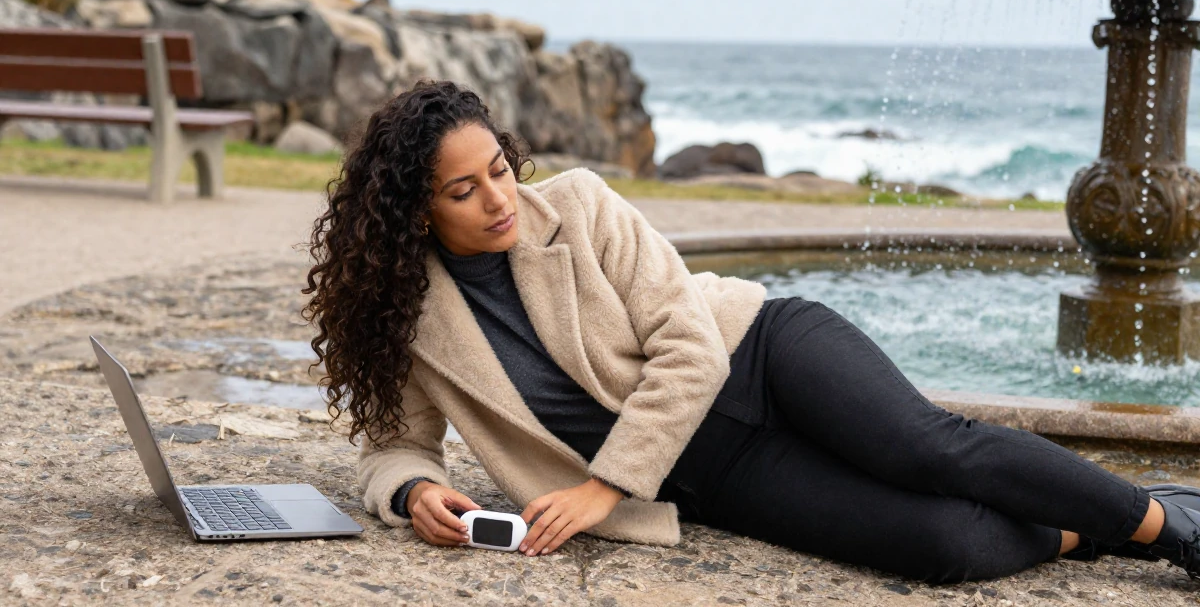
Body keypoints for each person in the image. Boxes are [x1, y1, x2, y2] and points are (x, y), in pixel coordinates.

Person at [302, 79, 1200, 583]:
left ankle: (1173, 530)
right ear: (414, 213)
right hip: (711, 472)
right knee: (942, 548)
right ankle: (1097, 523)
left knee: (927, 449)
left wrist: (603, 489)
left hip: (759, 355)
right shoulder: (410, 316)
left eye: (500, 169)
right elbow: (394, 442)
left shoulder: (578, 203)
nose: (500, 198)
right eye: (464, 191)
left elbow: (689, 346)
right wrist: (413, 490)